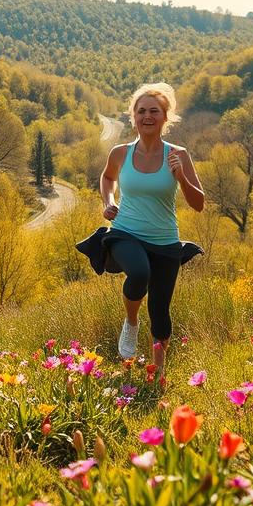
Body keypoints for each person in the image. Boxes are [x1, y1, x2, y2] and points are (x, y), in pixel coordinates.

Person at [99, 82, 206, 367]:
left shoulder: (178, 154)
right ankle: (131, 321)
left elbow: (199, 204)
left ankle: (158, 373)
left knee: (160, 312)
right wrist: (108, 200)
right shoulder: (120, 153)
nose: (147, 116)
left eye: (154, 111)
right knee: (138, 272)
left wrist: (180, 177)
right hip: (125, 232)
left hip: (164, 240)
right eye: (141, 111)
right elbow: (107, 178)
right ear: (133, 116)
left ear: (165, 117)